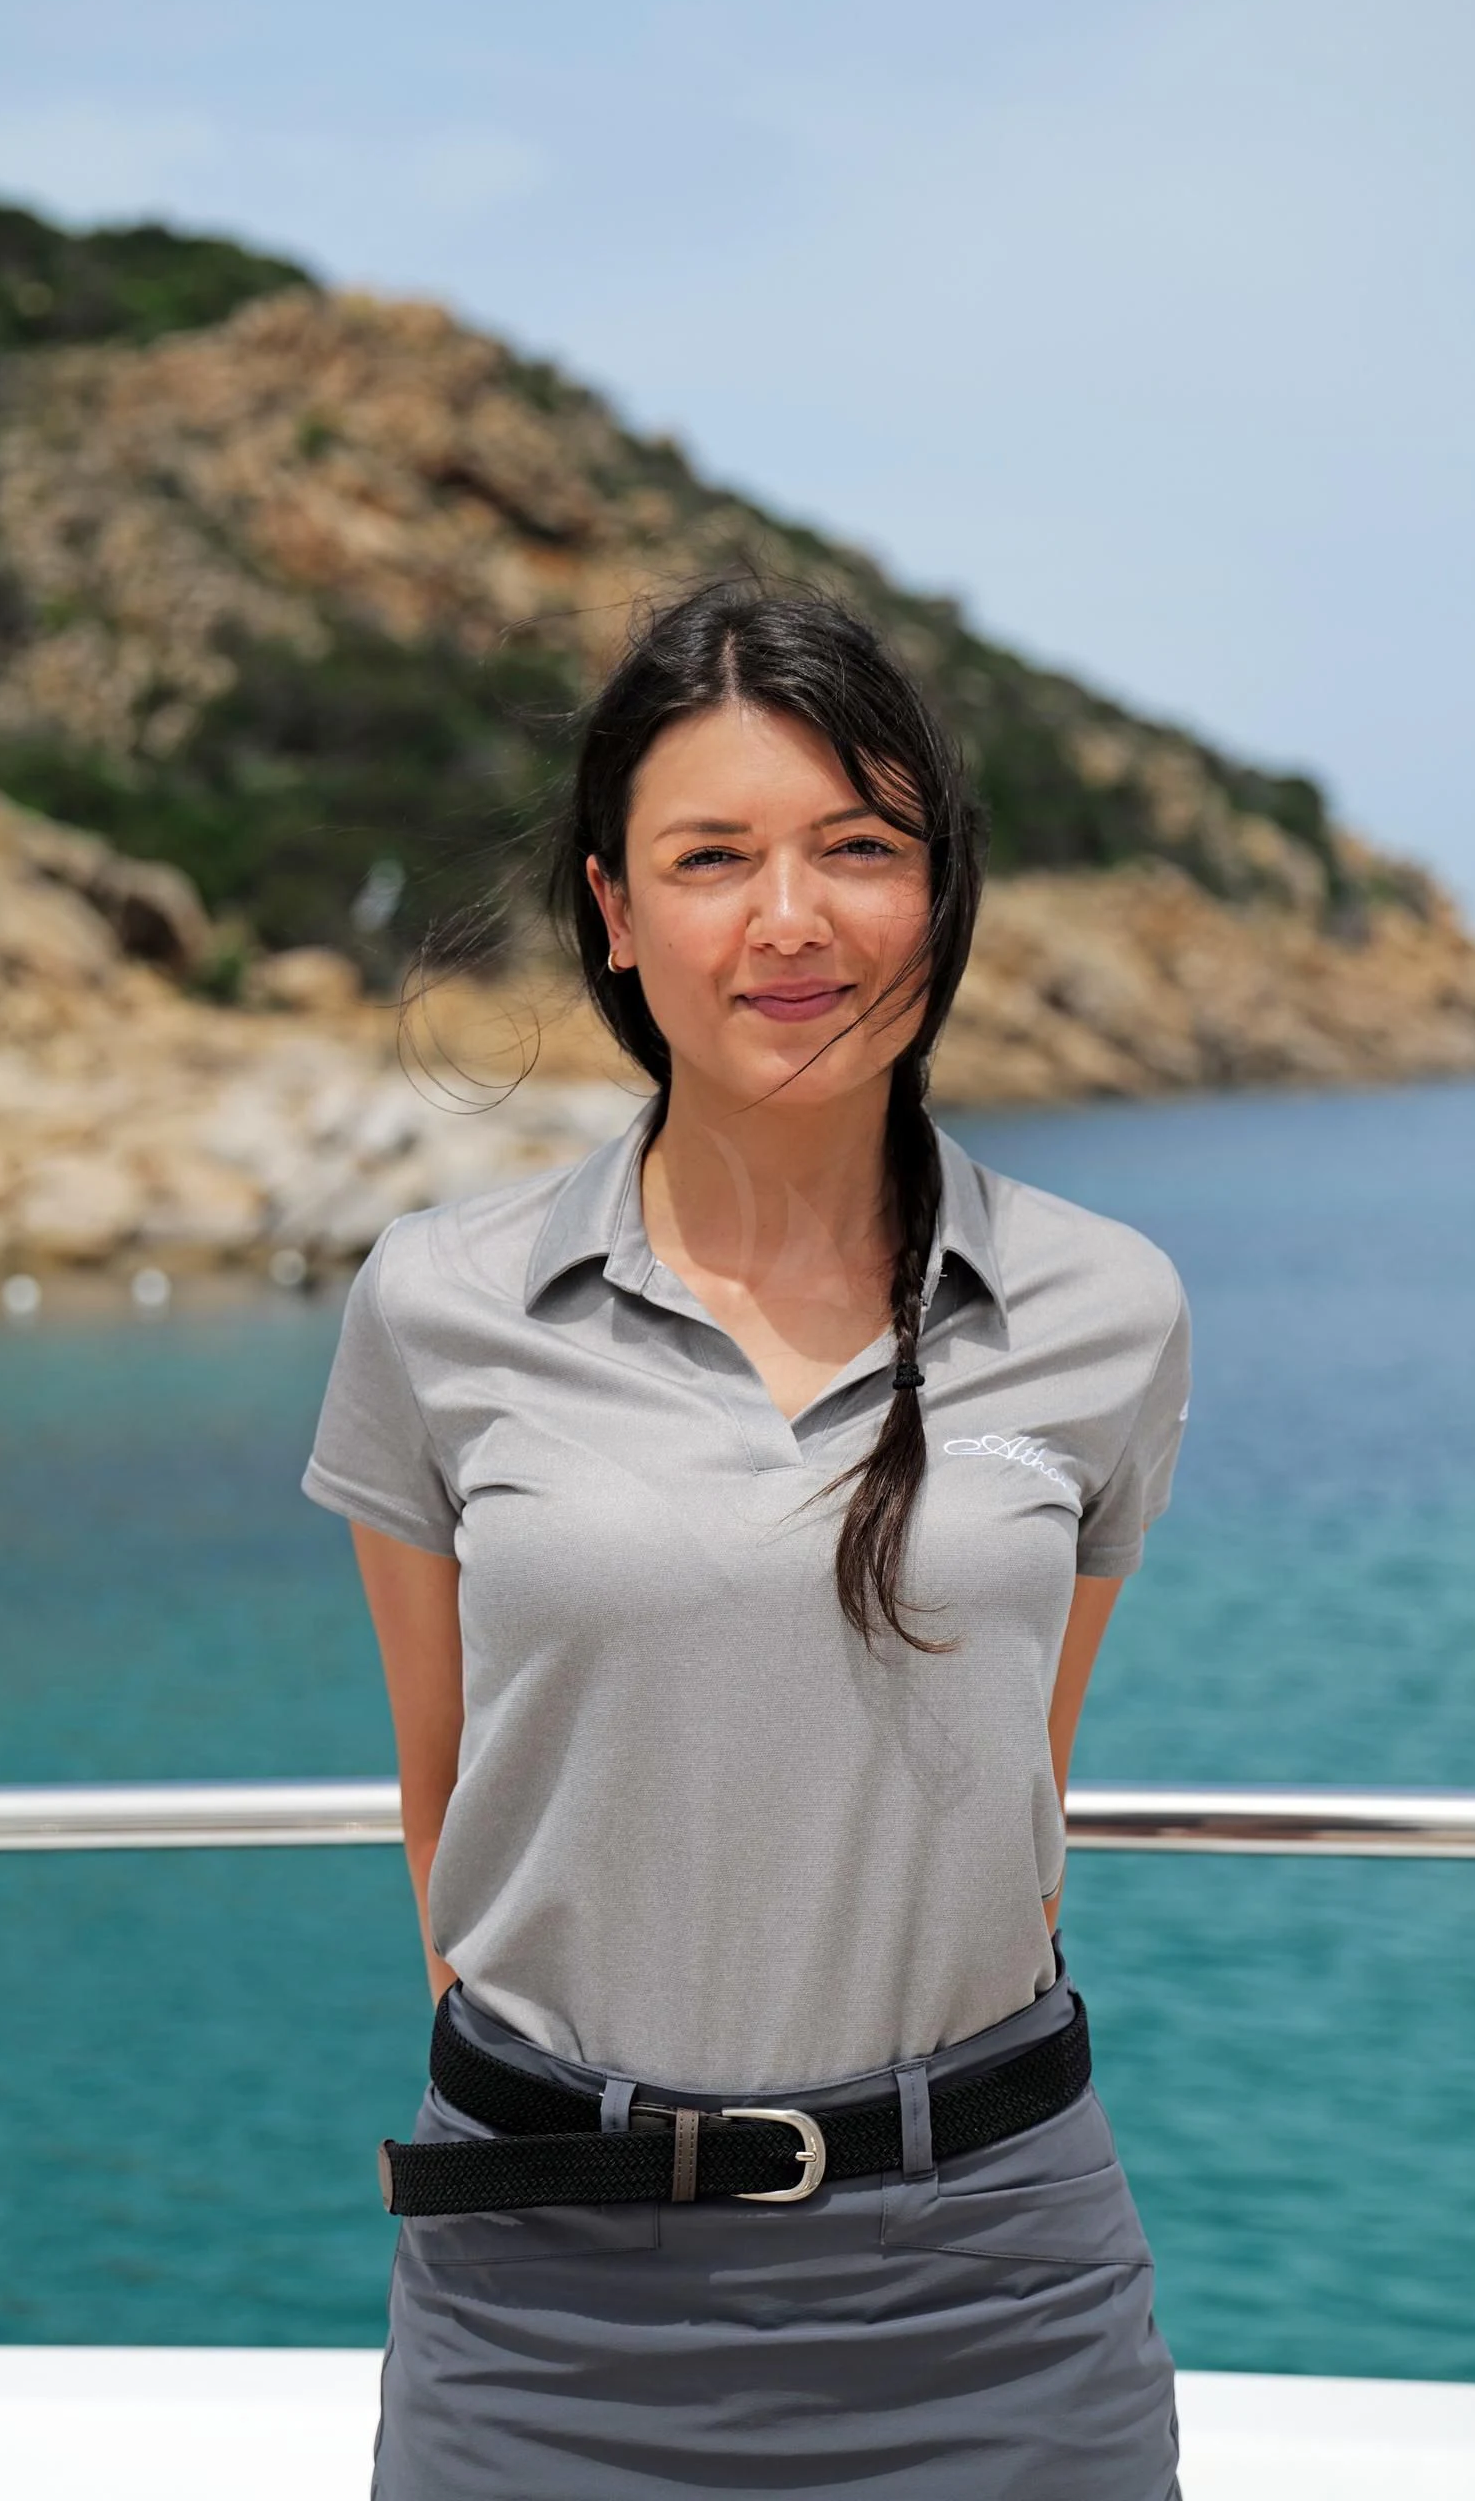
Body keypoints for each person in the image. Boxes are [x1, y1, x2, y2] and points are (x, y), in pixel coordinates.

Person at [302, 583, 1192, 2499]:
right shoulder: (438, 1302)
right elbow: (441, 1802)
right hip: (544, 2285)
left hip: (992, 2286)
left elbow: (1017, 1801)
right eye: (713, 859)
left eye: (855, 850)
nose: (790, 922)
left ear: (938, 893)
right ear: (617, 916)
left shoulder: (1107, 1307)